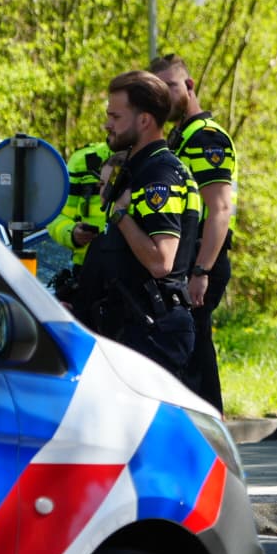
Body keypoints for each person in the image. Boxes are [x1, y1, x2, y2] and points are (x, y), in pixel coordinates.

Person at [76, 71, 202, 379]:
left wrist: (121, 216)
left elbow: (161, 261)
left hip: (151, 331)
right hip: (129, 325)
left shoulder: (159, 173)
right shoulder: (138, 168)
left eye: (116, 116)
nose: (108, 124)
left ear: (144, 120)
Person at [151, 54, 237, 414]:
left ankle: (208, 451)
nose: (165, 97)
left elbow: (219, 209)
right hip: (189, 263)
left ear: (189, 86)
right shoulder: (180, 137)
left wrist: (200, 272)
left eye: (171, 87)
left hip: (201, 263)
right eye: (158, 90)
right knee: (192, 356)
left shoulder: (205, 137)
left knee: (192, 361)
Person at [46, 141, 114, 267]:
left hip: (137, 277)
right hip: (88, 273)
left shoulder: (155, 163)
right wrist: (72, 233)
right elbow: (54, 216)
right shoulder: (82, 160)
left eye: (116, 119)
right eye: (108, 119)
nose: (107, 125)